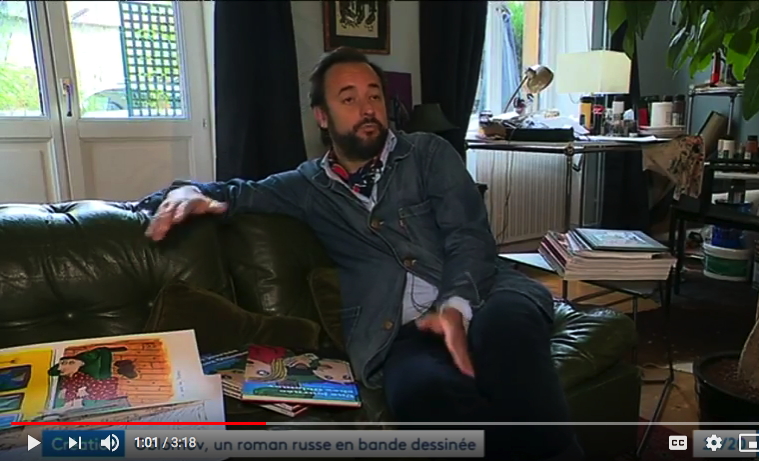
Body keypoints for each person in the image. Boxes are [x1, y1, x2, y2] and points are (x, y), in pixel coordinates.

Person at [141, 47, 582, 460]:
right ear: (322, 116)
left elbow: (469, 236)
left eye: (374, 96)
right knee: (420, 394)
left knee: (507, 339)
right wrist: (186, 191)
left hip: (486, 295)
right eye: (349, 99)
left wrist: (455, 306)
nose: (367, 108)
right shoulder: (307, 187)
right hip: (401, 331)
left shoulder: (428, 153)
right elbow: (239, 193)